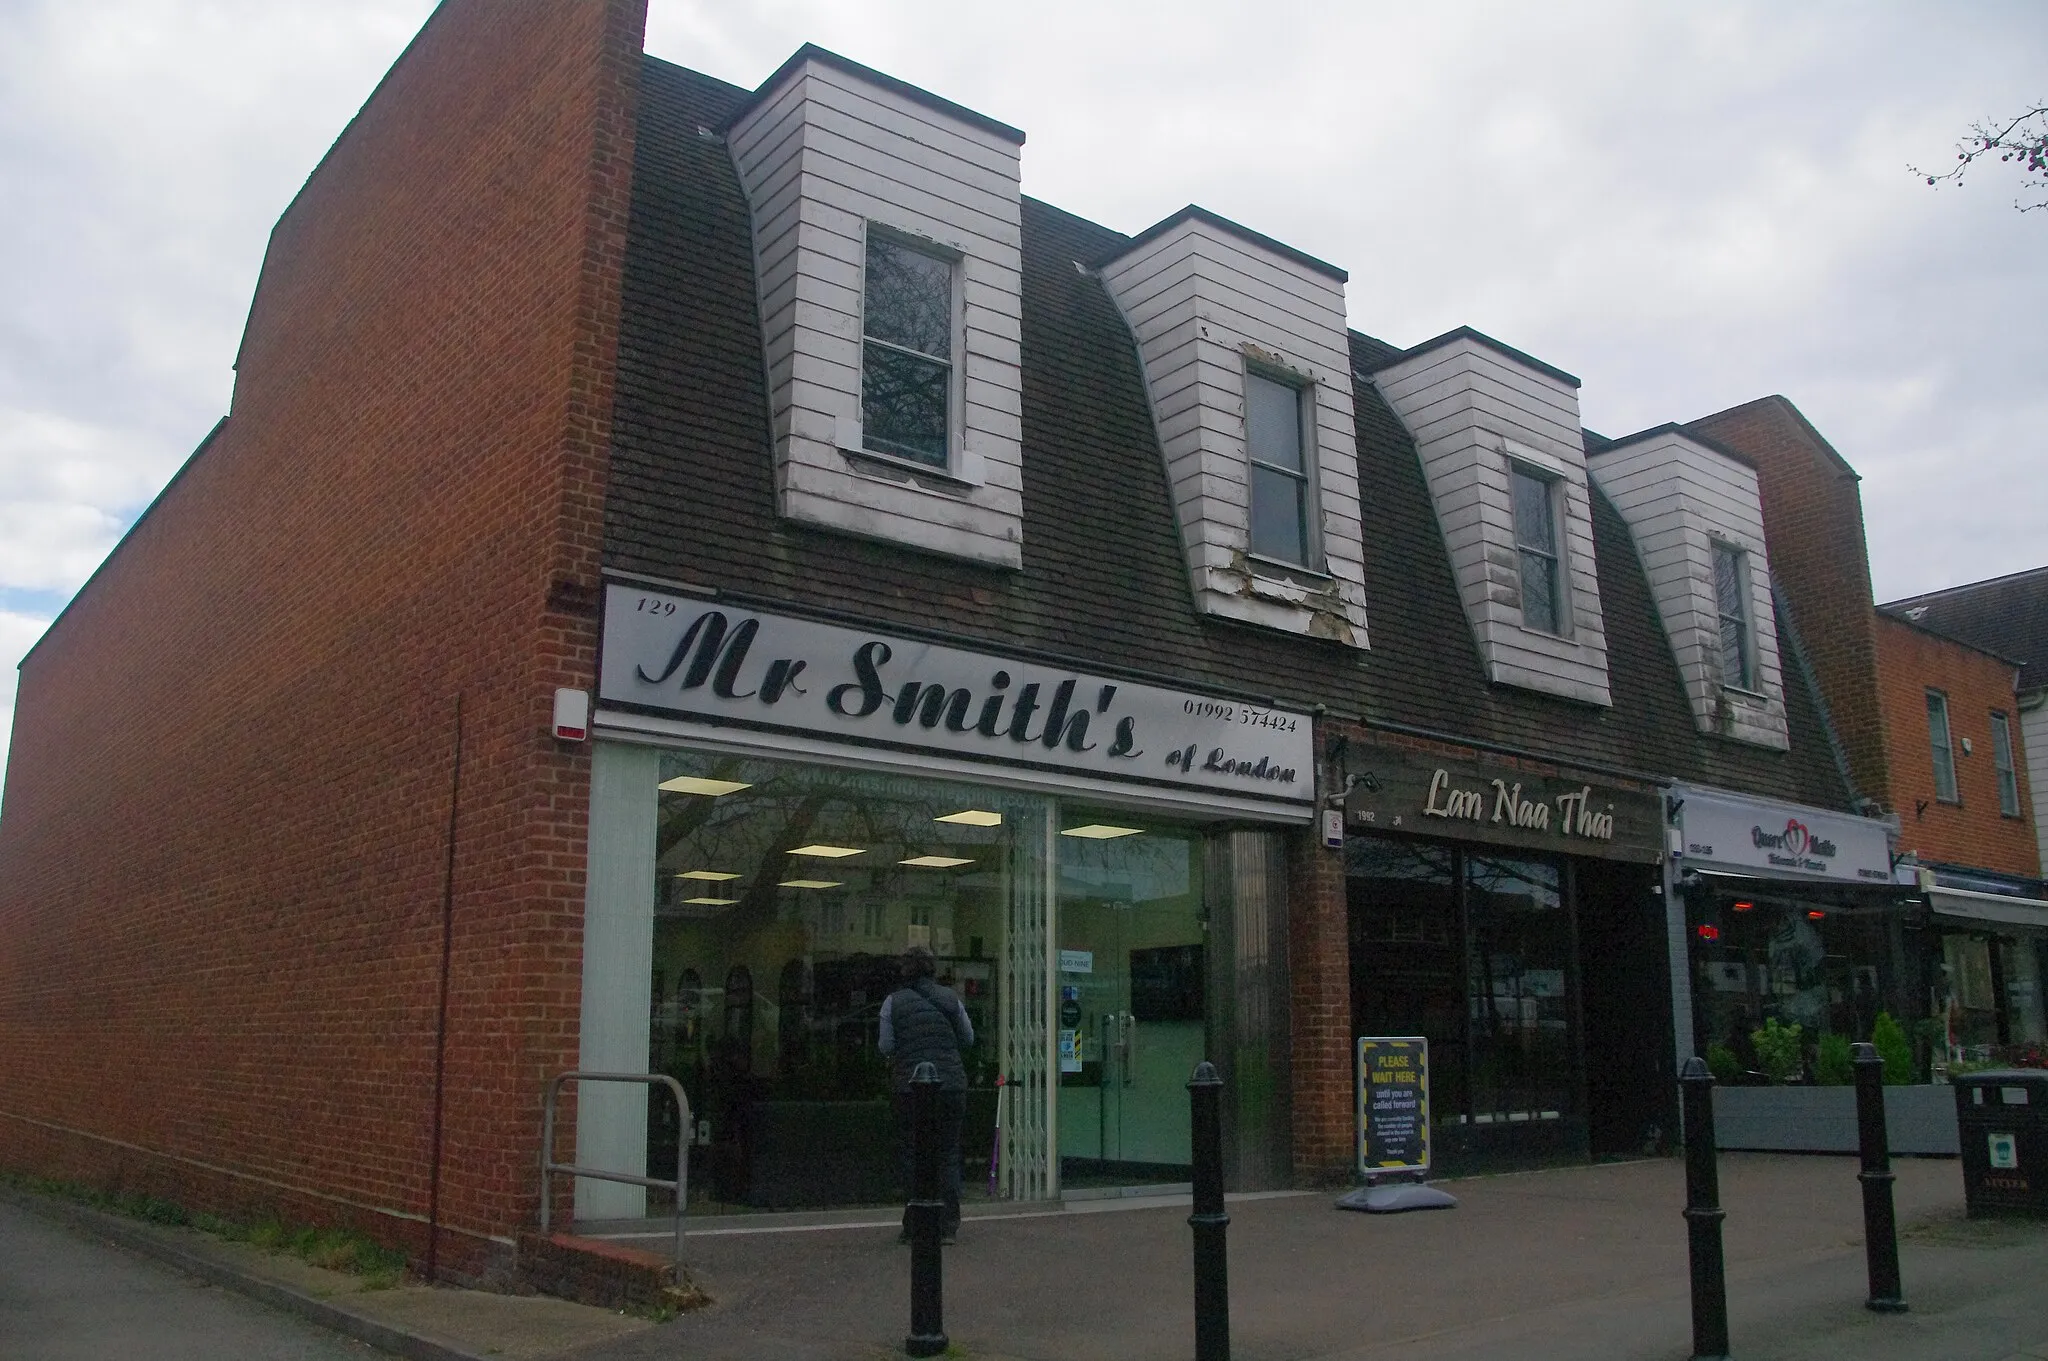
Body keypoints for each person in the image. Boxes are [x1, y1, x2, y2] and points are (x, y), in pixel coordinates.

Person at [878, 943, 973, 1243]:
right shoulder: (951, 999)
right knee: (947, 1153)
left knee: (912, 1154)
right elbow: (968, 1038)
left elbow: (886, 1046)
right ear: (932, 968)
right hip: (951, 1086)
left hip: (910, 1088)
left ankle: (915, 1224)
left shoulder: (892, 1003)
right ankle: (948, 1226)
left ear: (905, 970)